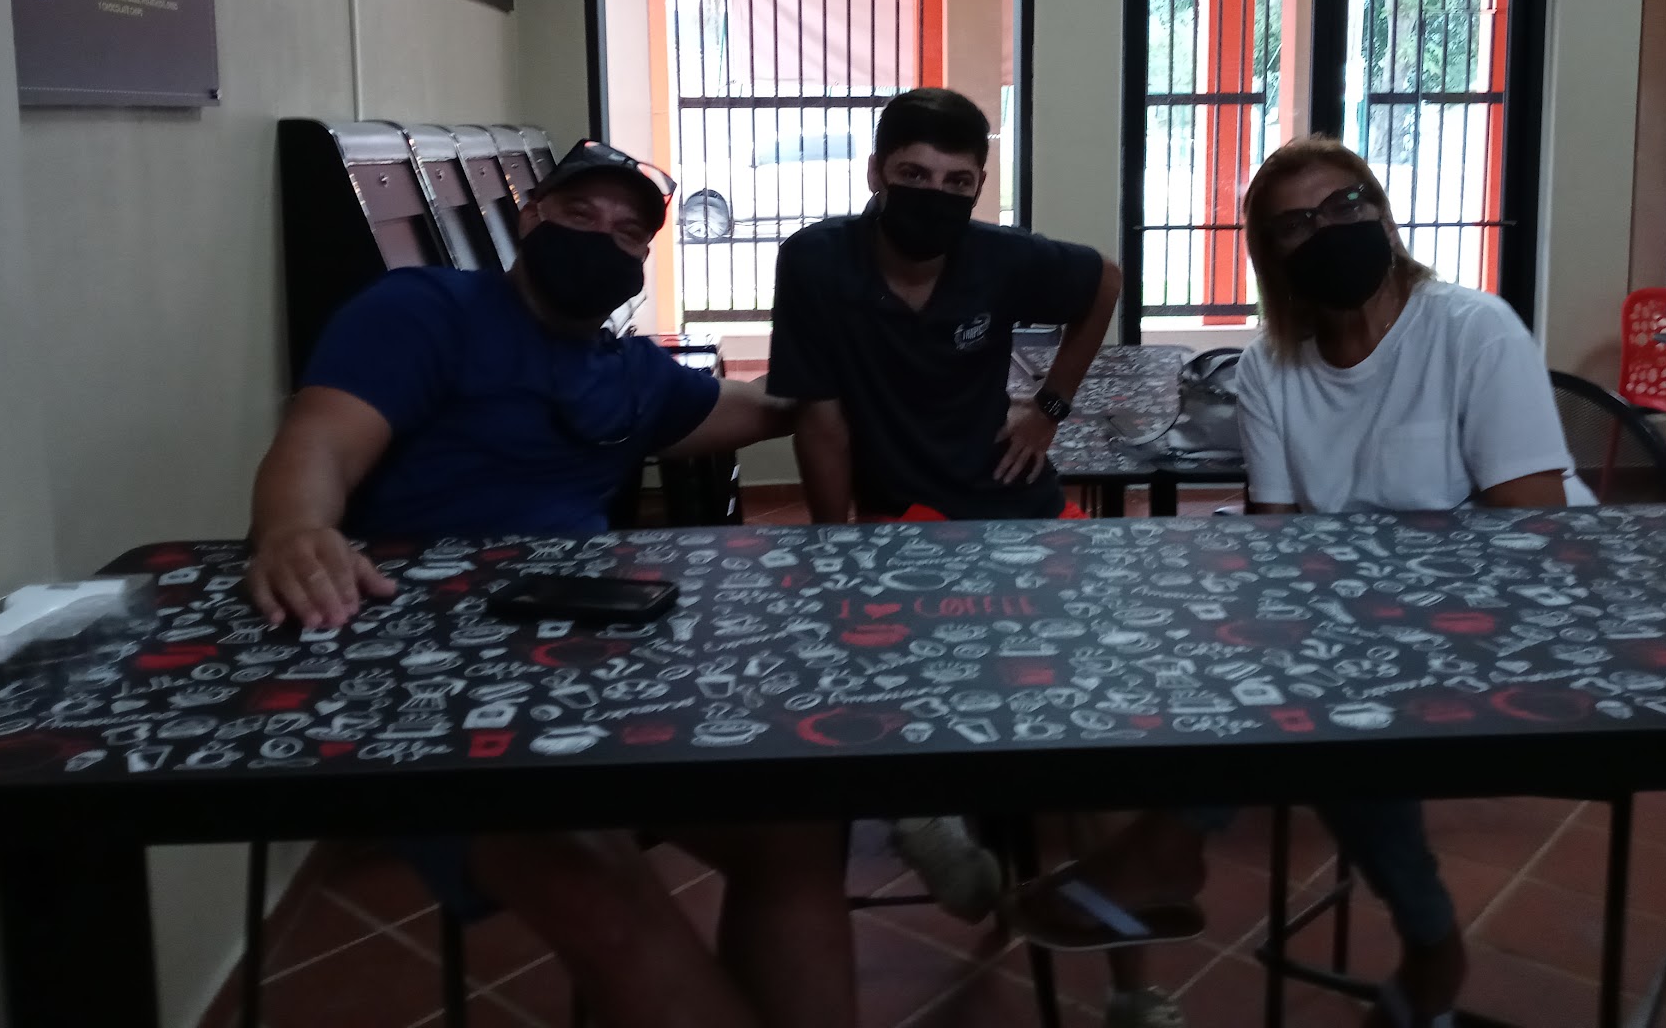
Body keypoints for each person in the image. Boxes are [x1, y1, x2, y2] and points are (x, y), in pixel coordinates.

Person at [245, 140, 856, 1028]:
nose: (602, 238)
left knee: (799, 829)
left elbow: (758, 410)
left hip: (590, 663)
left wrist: (846, 378)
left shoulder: (628, 374)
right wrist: (297, 527)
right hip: (424, 677)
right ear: (530, 218)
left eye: (627, 232)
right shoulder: (426, 311)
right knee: (600, 885)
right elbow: (323, 439)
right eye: (579, 215)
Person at [1011, 135, 1585, 1028]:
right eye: (1295, 224)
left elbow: (1533, 533)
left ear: (1381, 211)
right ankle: (1427, 945)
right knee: (1306, 681)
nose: (1328, 229)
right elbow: (1280, 548)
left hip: (1523, 614)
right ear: (1272, 256)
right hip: (1371, 637)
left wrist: (1351, 601)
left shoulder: (1473, 330)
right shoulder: (1273, 368)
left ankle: (1172, 846)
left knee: (1327, 690)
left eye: (1345, 205)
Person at [766, 89, 1173, 1025]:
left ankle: (1134, 988)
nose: (935, 194)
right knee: (875, 682)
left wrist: (1048, 410)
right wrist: (835, 552)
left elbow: (1104, 282)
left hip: (1019, 509)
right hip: (904, 520)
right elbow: (820, 420)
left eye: (958, 182)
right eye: (914, 174)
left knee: (1098, 726)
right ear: (877, 173)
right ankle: (925, 809)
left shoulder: (1000, 258)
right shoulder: (818, 260)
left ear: (978, 187)